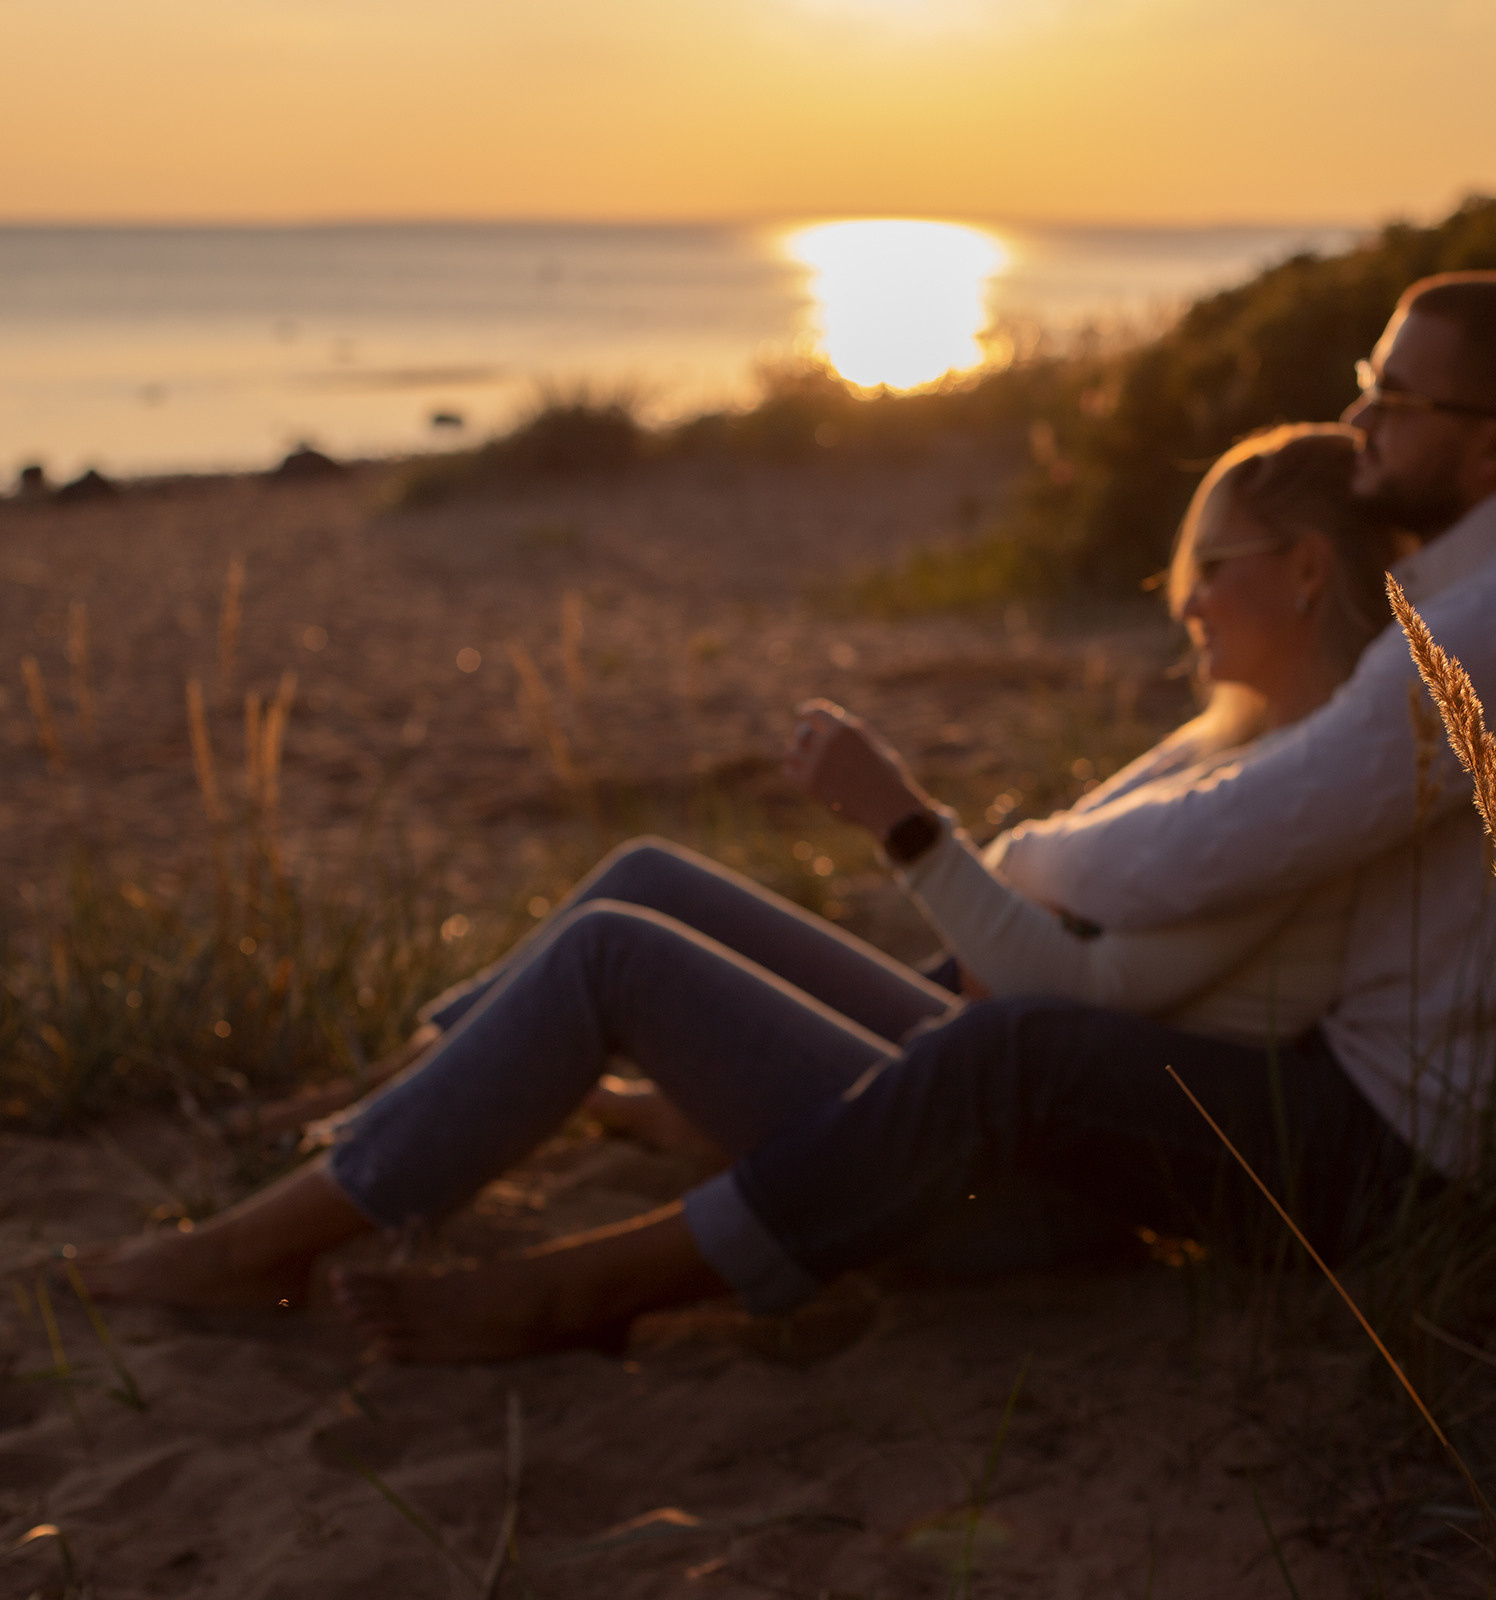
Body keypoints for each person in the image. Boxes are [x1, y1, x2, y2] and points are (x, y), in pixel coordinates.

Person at [77, 424, 1402, 1348]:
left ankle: (260, 1249)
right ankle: (396, 1100)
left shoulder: (1300, 796)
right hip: (979, 1102)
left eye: (1212, 564)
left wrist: (903, 825)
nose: (1183, 598)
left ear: (1305, 568)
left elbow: (1076, 1002)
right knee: (649, 874)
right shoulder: (1234, 742)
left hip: (1019, 1180)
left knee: (614, 954)